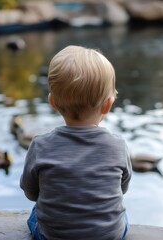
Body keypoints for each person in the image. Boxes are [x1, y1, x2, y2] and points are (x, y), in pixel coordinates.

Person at [20, 45, 132, 240]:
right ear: (108, 105)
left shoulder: (39, 145)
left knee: (34, 212)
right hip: (108, 237)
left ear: (52, 102)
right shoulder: (118, 145)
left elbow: (31, 193)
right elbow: (122, 189)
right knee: (124, 215)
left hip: (52, 237)